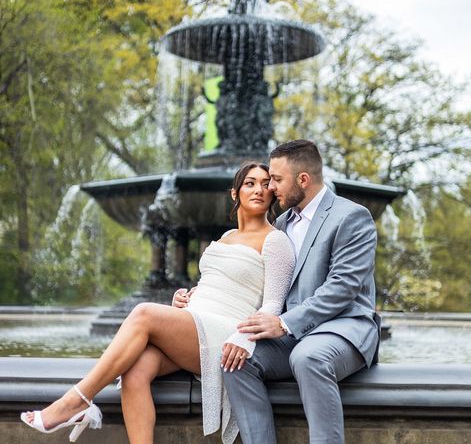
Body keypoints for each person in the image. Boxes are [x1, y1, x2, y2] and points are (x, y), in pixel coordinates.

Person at [20, 161, 294, 444]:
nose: (259, 190)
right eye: (250, 183)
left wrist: (244, 338)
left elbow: (273, 305)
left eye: (265, 184)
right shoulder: (227, 237)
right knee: (135, 370)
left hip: (228, 335)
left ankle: (74, 401)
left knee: (143, 313)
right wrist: (189, 297)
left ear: (273, 194)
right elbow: (219, 283)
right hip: (197, 322)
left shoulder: (275, 241)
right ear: (235, 193)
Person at [223, 140, 380, 444]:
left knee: (309, 358)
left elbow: (343, 287)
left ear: (303, 179)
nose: (270, 189)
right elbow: (263, 281)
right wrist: (194, 299)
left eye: (277, 180)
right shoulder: (281, 224)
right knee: (234, 360)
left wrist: (283, 323)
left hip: (344, 327)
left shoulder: (352, 217)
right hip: (293, 334)